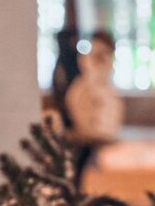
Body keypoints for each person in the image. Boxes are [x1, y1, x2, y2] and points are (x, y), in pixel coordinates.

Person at [65, 30, 124, 187]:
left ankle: (77, 186)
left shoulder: (96, 55)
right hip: (93, 105)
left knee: (84, 155)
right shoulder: (98, 56)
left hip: (94, 106)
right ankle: (76, 186)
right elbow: (94, 74)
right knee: (84, 153)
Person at [51, 28, 81, 131]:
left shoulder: (76, 59)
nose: (74, 43)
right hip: (66, 105)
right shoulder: (62, 62)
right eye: (72, 40)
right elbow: (60, 84)